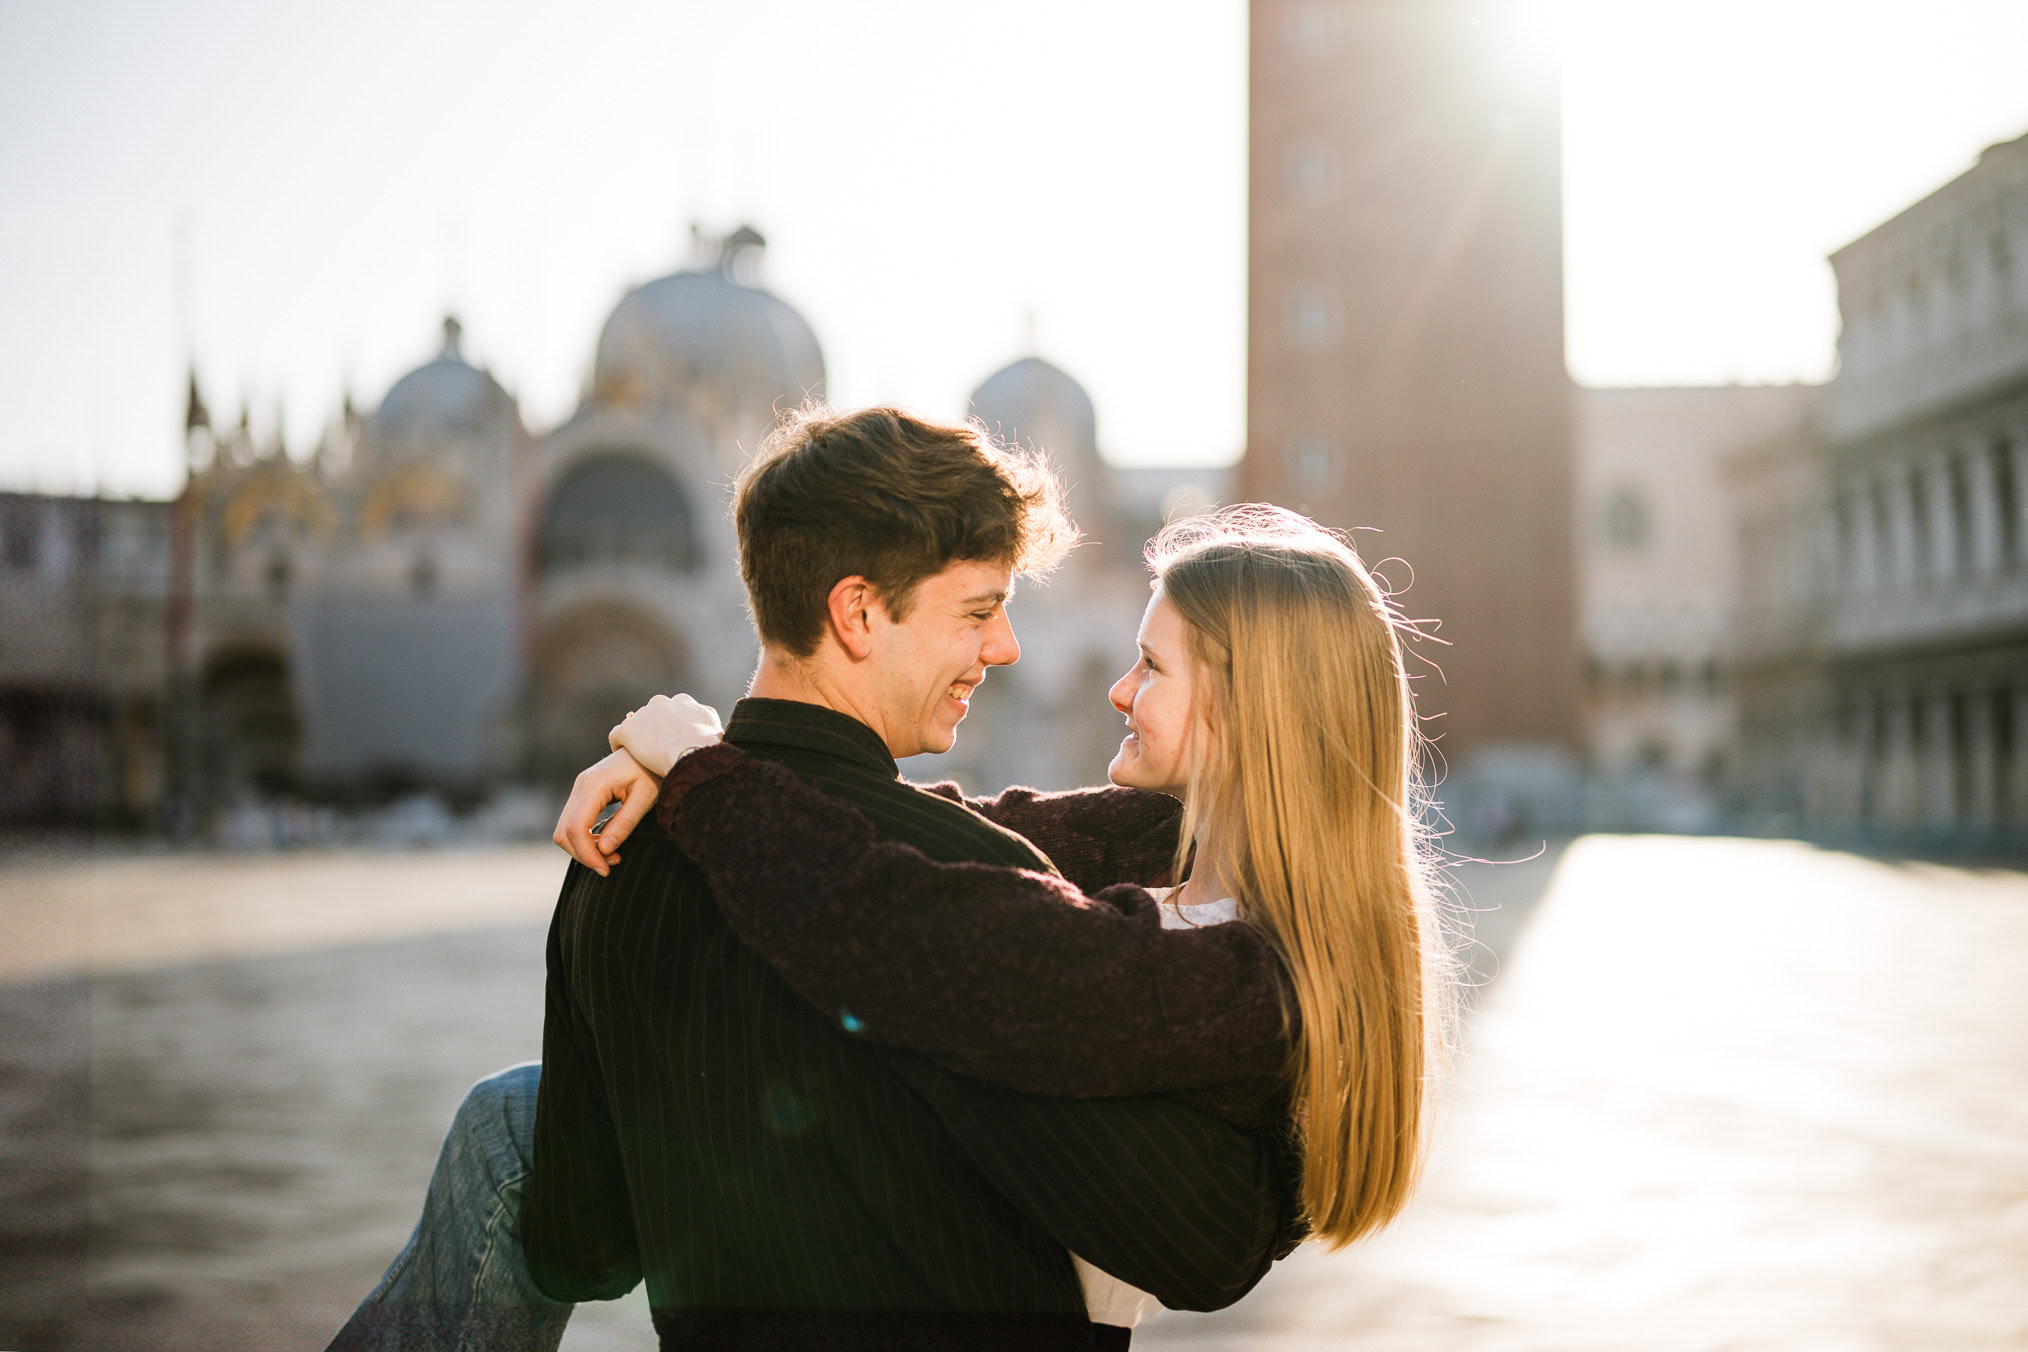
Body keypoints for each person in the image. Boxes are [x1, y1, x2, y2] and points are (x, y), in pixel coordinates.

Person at [327, 408, 1312, 1352]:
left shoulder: (608, 861)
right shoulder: (984, 886)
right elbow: (1203, 1231)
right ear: (855, 612)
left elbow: (586, 1242)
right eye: (978, 610)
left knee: (506, 1111)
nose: (1004, 646)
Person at [579, 504, 1452, 1251]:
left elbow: (906, 929)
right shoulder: (1170, 852)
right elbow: (922, 832)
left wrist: (700, 771)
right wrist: (687, 761)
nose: (1117, 690)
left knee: (514, 1134)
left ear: (1248, 704)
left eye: (1152, 666)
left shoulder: (1251, 989)